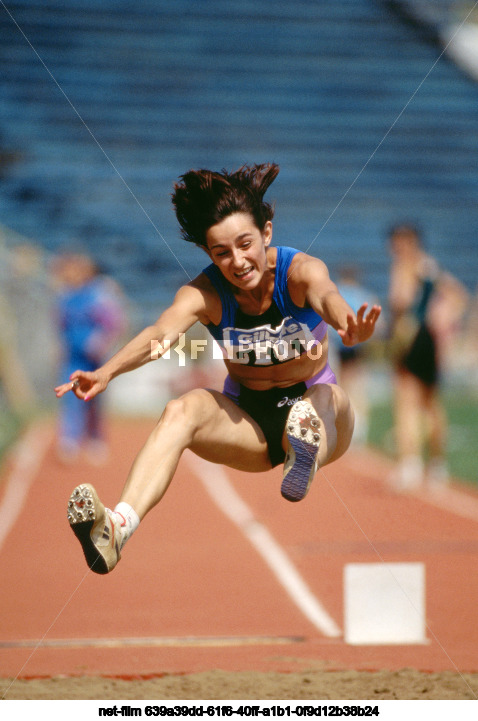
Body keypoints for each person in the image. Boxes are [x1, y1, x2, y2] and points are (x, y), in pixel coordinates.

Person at [55, 164, 381, 575]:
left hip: (323, 414)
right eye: (221, 253)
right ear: (210, 255)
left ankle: (305, 455)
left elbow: (328, 295)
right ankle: (117, 528)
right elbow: (160, 333)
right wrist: (106, 372)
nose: (238, 261)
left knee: (323, 399)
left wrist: (347, 325)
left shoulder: (300, 272)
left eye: (245, 244)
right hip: (253, 428)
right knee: (181, 410)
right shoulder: (205, 293)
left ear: (266, 233)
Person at [387, 223, 468, 491]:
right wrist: (444, 321)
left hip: (412, 339)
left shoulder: (407, 266)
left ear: (408, 242)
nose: (394, 248)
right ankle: (437, 466)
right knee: (431, 404)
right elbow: (458, 295)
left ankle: (411, 465)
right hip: (428, 340)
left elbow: (400, 301)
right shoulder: (429, 266)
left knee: (407, 402)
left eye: (398, 242)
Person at [53, 253, 127, 464]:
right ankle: (70, 439)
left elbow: (114, 323)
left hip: (94, 358)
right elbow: (61, 325)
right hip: (72, 357)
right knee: (70, 396)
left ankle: (95, 438)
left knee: (94, 398)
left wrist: (101, 341)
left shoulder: (99, 294)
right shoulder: (64, 296)